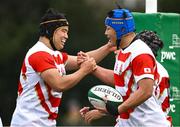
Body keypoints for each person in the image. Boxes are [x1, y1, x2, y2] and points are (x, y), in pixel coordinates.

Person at [10, 8, 115, 127]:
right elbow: (59, 84)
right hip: (28, 123)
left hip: (43, 123)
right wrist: (84, 71)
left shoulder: (54, 54)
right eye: (63, 31)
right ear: (51, 31)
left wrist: (108, 47)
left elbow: (84, 60)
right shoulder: (39, 54)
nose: (66, 36)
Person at [79, 8, 171, 127]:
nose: (105, 33)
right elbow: (122, 81)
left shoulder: (140, 52)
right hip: (129, 122)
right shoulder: (124, 51)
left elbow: (146, 91)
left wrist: (118, 109)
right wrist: (92, 67)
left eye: (108, 28)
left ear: (121, 29)